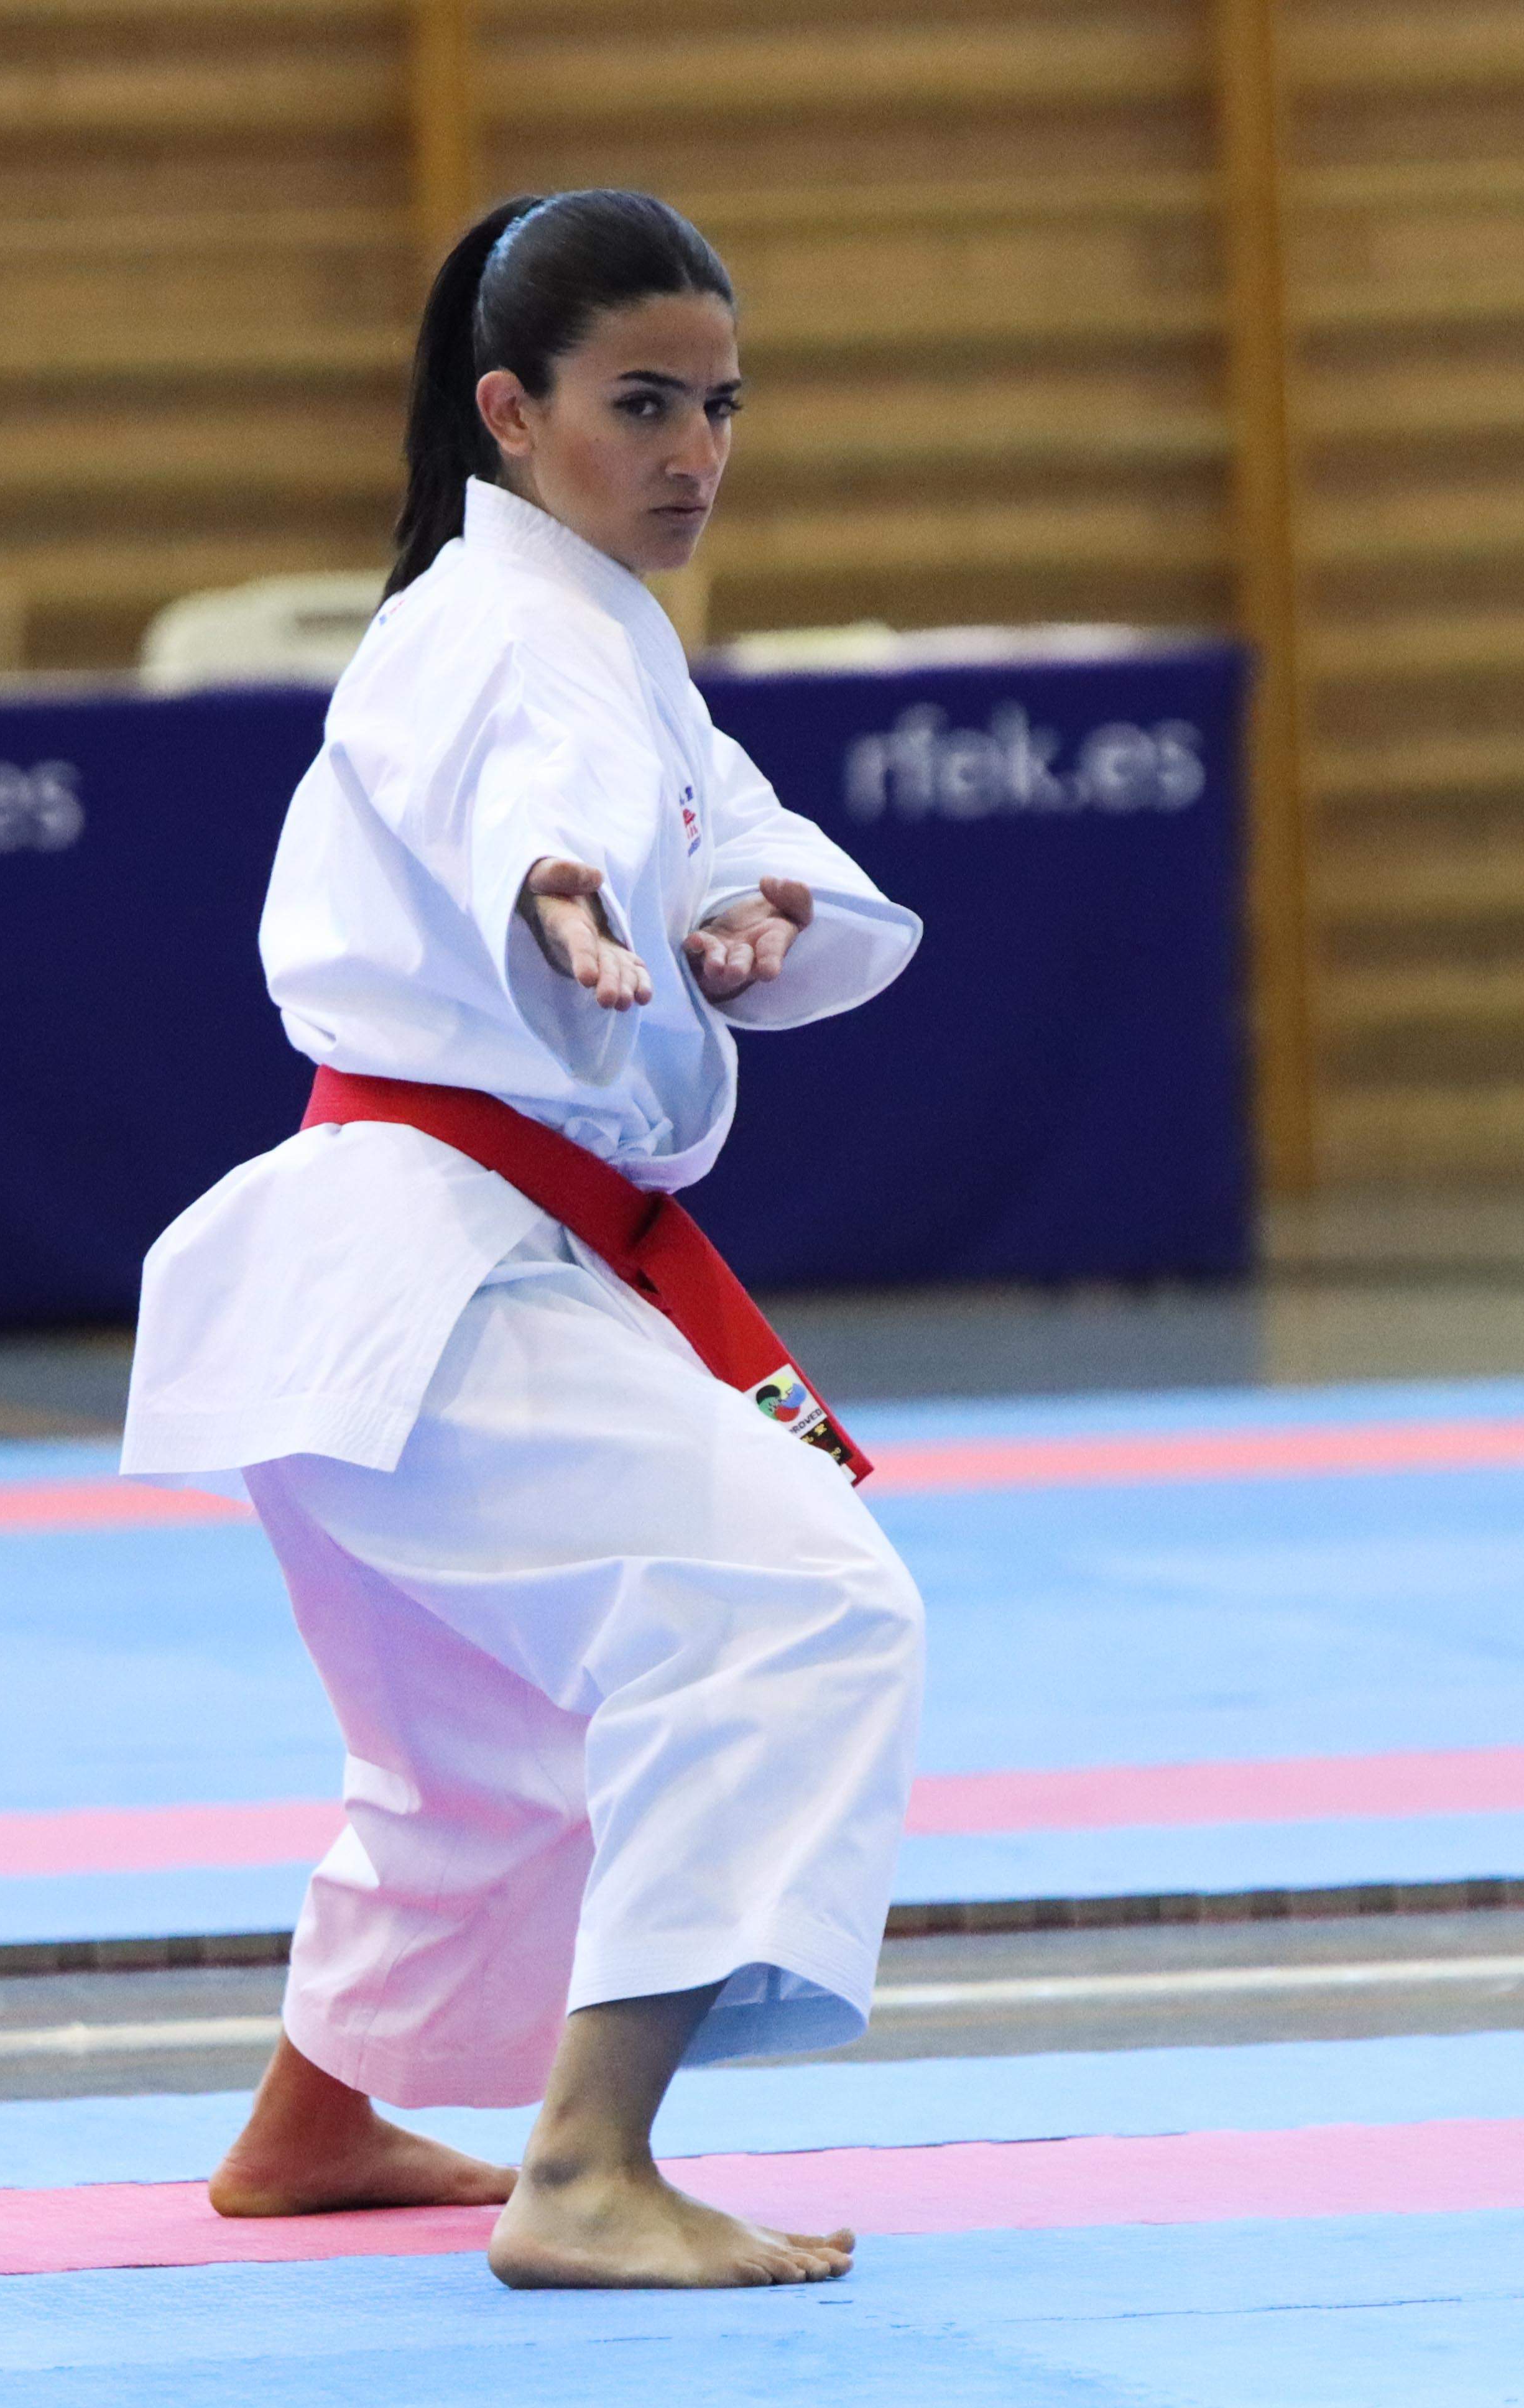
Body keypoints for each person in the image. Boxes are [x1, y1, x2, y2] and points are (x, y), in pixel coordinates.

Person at [120, 191, 926, 2290]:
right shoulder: (492, 634)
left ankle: (310, 2129)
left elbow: (748, 841)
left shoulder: (604, 635)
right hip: (436, 1269)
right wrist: (568, 892)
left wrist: (758, 922)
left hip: (409, 1282)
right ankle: (586, 2166)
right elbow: (528, 800)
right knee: (803, 1604)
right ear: (511, 410)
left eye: (721, 406)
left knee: (480, 1749)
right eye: (640, 403)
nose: (694, 450)